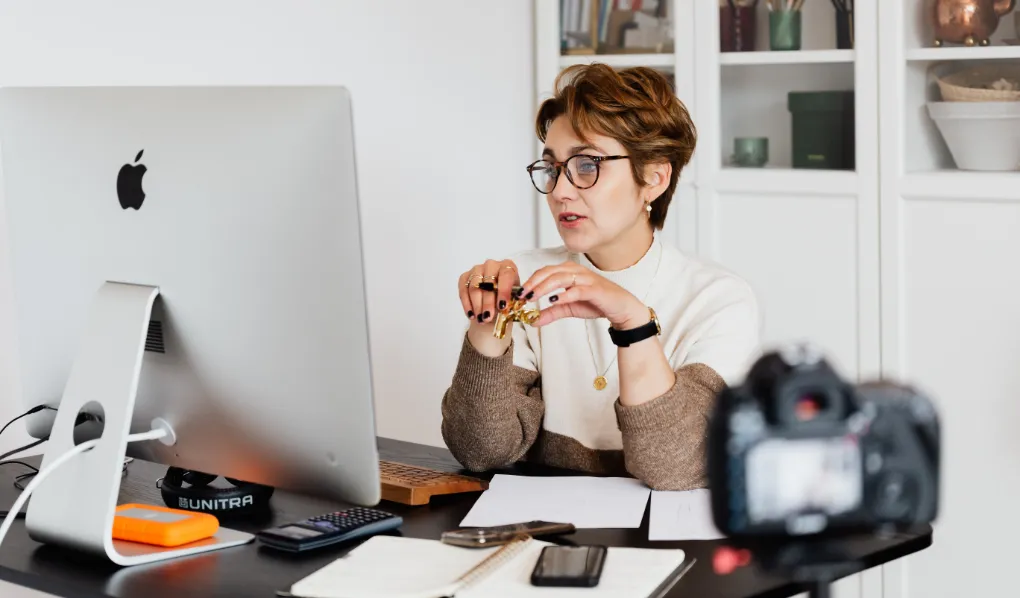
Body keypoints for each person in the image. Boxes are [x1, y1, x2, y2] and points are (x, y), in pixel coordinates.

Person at [440, 64, 761, 491]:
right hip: (545, 532)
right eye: (552, 168)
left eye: (587, 164)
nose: (560, 191)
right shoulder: (526, 279)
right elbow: (481, 451)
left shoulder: (719, 300)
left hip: (664, 544)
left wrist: (634, 324)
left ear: (654, 178)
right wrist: (486, 332)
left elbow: (677, 467)